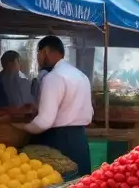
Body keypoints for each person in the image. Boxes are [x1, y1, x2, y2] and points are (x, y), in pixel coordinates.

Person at [24, 36, 94, 175]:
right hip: (79, 140)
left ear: (44, 52)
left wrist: (23, 129)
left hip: (59, 142)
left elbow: (44, 122)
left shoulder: (53, 77)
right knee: (80, 187)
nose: (38, 59)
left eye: (38, 54)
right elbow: (90, 112)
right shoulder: (81, 76)